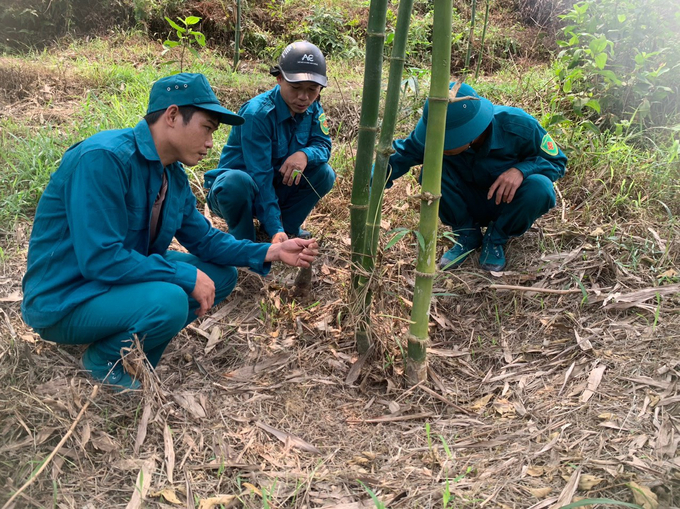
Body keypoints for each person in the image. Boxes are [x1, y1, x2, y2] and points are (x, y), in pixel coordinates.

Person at [21, 73, 319, 391]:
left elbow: (204, 238)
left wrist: (269, 251)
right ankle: (104, 361)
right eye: (206, 128)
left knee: (221, 275)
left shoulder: (171, 176)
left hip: (112, 285)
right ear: (173, 116)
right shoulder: (104, 159)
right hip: (68, 297)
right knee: (172, 299)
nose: (210, 143)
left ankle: (135, 346)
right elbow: (100, 259)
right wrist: (183, 278)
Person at [386, 82, 567, 271]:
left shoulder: (518, 125)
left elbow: (558, 162)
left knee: (541, 187)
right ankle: (467, 235)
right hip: (465, 201)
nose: (441, 145)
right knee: (431, 174)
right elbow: (400, 156)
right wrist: (367, 182)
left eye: (449, 141)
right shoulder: (435, 131)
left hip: (507, 202)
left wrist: (522, 170)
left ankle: (495, 238)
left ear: (470, 134)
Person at [204, 41, 335, 243]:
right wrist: (275, 227)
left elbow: (323, 145)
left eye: (312, 89)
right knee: (236, 183)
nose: (303, 97)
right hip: (241, 193)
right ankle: (244, 238)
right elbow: (260, 176)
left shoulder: (313, 108)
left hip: (277, 187)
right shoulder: (257, 114)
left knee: (324, 174)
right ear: (280, 79)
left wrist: (304, 155)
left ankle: (287, 229)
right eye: (296, 87)